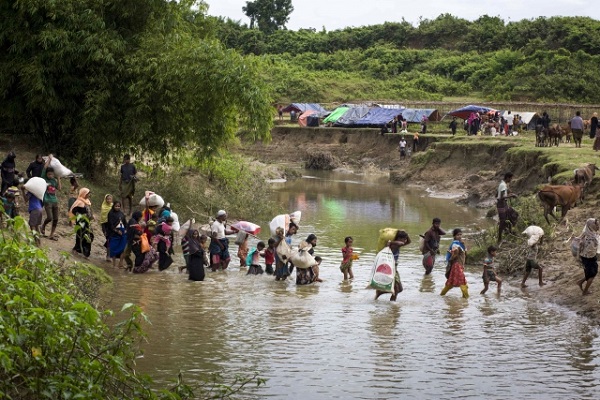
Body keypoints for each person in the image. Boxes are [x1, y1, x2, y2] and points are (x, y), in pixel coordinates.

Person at [375, 230, 410, 301]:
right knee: (396, 289)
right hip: (389, 268)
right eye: (403, 239)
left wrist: (406, 235)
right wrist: (391, 242)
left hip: (394, 268)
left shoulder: (396, 244)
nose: (405, 240)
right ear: (399, 238)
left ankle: (380, 292)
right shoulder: (394, 245)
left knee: (400, 289)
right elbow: (400, 243)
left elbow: (408, 242)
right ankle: (392, 307)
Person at [440, 228, 469, 298]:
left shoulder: (459, 243)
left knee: (451, 283)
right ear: (454, 236)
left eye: (460, 234)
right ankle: (466, 299)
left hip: (457, 265)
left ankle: (441, 295)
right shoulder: (455, 244)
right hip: (457, 266)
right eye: (458, 235)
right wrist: (451, 259)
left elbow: (464, 253)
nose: (460, 236)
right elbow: (455, 253)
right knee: (462, 282)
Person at [40, 156, 61, 241]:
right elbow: (45, 168)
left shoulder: (54, 181)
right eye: (49, 174)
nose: (50, 176)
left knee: (56, 219)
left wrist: (58, 178)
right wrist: (49, 159)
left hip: (54, 201)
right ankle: (43, 226)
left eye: (52, 174)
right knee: (49, 217)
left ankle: (51, 235)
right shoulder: (44, 179)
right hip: (47, 201)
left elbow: (59, 188)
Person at [577, 218, 599, 295]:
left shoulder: (586, 234)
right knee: (592, 275)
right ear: (591, 226)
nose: (598, 226)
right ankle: (585, 291)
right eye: (596, 224)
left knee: (589, 273)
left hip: (585, 257)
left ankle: (580, 282)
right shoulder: (592, 237)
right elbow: (591, 250)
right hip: (589, 258)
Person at [70, 188, 94, 258]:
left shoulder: (87, 201)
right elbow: (74, 211)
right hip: (81, 222)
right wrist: (81, 216)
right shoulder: (79, 202)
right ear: (84, 194)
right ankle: (77, 249)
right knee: (81, 233)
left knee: (88, 235)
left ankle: (86, 251)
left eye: (89, 193)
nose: (89, 195)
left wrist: (91, 216)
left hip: (87, 222)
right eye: (87, 193)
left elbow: (89, 210)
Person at [497, 172, 517, 244]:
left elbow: (499, 194)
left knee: (512, 215)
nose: (511, 180)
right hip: (501, 204)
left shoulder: (503, 184)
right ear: (508, 178)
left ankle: (509, 232)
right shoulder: (503, 185)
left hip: (503, 203)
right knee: (502, 221)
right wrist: (511, 196)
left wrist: (508, 194)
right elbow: (502, 197)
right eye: (511, 178)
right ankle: (499, 239)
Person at [108, 201, 128, 268]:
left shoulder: (121, 214)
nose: (117, 207)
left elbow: (125, 223)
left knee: (123, 248)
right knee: (114, 248)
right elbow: (110, 224)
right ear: (113, 206)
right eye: (116, 206)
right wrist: (116, 231)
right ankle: (114, 264)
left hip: (122, 233)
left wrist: (125, 230)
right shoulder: (111, 213)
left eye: (119, 206)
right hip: (114, 234)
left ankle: (121, 263)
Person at [99, 194, 113, 261]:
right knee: (109, 240)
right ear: (105, 199)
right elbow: (102, 220)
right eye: (107, 199)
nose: (109, 200)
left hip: (113, 226)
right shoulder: (103, 207)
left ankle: (110, 254)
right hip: (106, 226)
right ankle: (108, 256)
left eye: (110, 199)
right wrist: (104, 230)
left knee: (111, 240)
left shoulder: (113, 206)